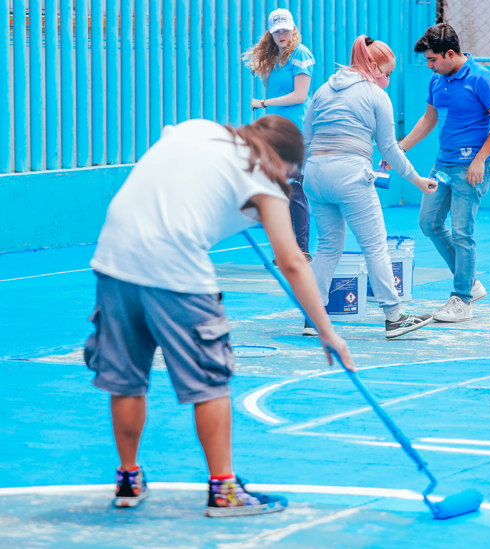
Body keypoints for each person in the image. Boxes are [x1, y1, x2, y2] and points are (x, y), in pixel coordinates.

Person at [83, 115, 354, 517]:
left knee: (125, 377)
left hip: (113, 259)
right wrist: (327, 330)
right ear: (283, 160)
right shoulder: (265, 177)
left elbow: (186, 178)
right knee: (210, 381)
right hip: (176, 270)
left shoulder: (194, 128)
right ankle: (224, 490)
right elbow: (292, 261)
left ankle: (128, 479)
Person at [302, 36, 438, 339]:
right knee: (375, 246)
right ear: (373, 66)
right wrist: (416, 179)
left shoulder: (323, 90)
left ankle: (313, 318)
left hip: (315, 174)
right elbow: (389, 149)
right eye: (387, 73)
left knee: (327, 247)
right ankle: (394, 317)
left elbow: (307, 137)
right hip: (350, 174)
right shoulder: (376, 96)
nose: (388, 79)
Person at [398, 24, 490, 323]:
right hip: (443, 165)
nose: (429, 65)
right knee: (429, 224)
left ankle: (462, 299)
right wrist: (401, 149)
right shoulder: (438, 80)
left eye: (433, 59)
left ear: (450, 53)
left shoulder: (483, 78)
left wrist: (480, 159)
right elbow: (428, 118)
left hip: (471, 168)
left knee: (463, 232)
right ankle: (470, 282)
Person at [243, 8, 315, 261]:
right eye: (276, 31)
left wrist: (263, 102)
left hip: (294, 131)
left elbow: (299, 96)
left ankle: (302, 250)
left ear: (293, 29)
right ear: (270, 34)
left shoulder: (300, 54)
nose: (281, 34)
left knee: (294, 190)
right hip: (274, 130)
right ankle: (286, 250)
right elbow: (272, 87)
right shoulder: (275, 57)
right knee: (278, 191)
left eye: (285, 29)